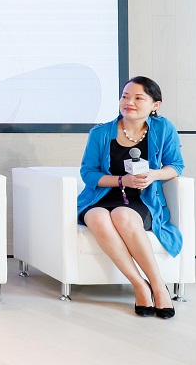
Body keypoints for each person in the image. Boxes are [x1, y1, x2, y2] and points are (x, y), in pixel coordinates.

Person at [77, 76, 183, 319]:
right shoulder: (100, 132)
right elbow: (88, 173)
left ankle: (158, 286)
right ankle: (140, 286)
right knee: (97, 217)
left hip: (141, 199)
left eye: (138, 98)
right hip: (102, 196)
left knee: (123, 215)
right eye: (125, 96)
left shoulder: (163, 129)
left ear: (155, 105)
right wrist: (121, 181)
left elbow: (176, 166)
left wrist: (154, 175)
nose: (129, 102)